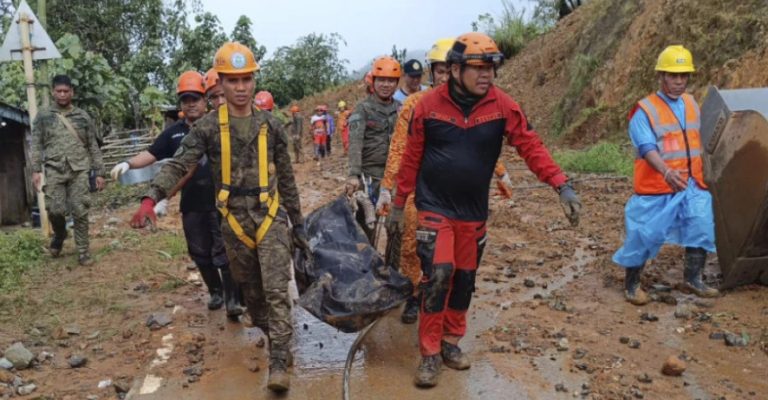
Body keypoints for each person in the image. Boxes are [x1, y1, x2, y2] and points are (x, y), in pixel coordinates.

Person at [391, 33, 582, 388]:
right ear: (456, 69)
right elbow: (410, 159)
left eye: (491, 68)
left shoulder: (502, 106)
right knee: (439, 276)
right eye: (479, 68)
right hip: (434, 208)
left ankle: (451, 343)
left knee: (464, 281)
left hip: (473, 212)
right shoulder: (428, 107)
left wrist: (561, 184)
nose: (487, 76)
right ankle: (430, 354)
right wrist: (399, 205)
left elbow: (531, 145)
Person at [129, 42, 308, 392]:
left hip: (269, 217)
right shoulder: (207, 128)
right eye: (232, 81)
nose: (240, 88)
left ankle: (279, 360)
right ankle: (275, 336)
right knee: (253, 299)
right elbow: (180, 163)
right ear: (220, 85)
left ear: (254, 81)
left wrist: (298, 225)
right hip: (234, 224)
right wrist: (151, 198)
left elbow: (287, 180)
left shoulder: (272, 126)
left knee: (275, 290)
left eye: (246, 80)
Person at [377, 38, 514, 325]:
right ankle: (416, 296)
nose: (442, 77)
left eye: (445, 71)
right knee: (414, 248)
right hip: (422, 191)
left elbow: (478, 146)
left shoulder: (473, 104)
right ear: (434, 72)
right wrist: (388, 189)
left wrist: (499, 171)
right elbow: (400, 149)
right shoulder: (418, 104)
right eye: (438, 72)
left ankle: (444, 307)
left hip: (458, 196)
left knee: (453, 260)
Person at [111, 71, 242, 319]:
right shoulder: (174, 133)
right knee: (199, 251)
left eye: (195, 98)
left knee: (224, 249)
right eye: (185, 99)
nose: (191, 103)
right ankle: (216, 292)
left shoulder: (219, 126)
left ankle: (233, 298)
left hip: (220, 202)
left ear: (205, 100)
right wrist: (128, 164)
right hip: (191, 203)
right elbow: (152, 155)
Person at [613, 45, 719, 305]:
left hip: (691, 182)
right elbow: (646, 147)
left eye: (684, 76)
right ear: (661, 76)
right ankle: (632, 285)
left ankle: (694, 279)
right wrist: (666, 171)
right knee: (643, 235)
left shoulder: (692, 103)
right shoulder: (644, 110)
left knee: (701, 225)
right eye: (673, 75)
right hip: (658, 186)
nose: (679, 81)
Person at [30, 74, 105, 266]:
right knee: (54, 210)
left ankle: (83, 251)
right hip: (54, 169)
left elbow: (93, 146)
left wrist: (99, 172)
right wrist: (36, 169)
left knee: (80, 210)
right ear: (53, 92)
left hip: (79, 169)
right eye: (58, 91)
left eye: (66, 91)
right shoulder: (43, 116)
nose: (62, 95)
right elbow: (36, 144)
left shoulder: (82, 116)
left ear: (72, 92)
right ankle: (61, 234)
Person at [346, 56, 401, 242]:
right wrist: (353, 175)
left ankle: (390, 268)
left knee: (396, 228)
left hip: (394, 179)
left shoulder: (401, 109)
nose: (386, 84)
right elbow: (355, 143)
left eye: (391, 81)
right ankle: (365, 269)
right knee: (366, 228)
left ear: (396, 83)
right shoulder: (362, 109)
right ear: (374, 81)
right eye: (382, 80)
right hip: (369, 178)